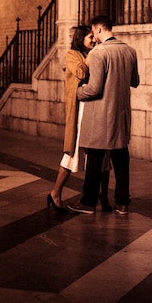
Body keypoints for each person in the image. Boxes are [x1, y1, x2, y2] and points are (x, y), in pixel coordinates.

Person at [67, 15, 139, 215]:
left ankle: (88, 202)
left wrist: (76, 93)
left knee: (95, 157)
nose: (94, 37)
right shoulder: (130, 51)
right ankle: (122, 203)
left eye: (94, 32)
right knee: (121, 158)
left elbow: (94, 89)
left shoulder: (99, 53)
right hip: (122, 114)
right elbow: (135, 81)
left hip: (100, 113)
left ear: (99, 29)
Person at [47, 25, 112, 214]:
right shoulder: (73, 55)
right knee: (73, 151)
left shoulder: (96, 54)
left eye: (94, 37)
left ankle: (104, 197)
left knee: (103, 153)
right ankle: (55, 192)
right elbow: (82, 73)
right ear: (80, 38)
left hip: (98, 108)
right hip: (80, 111)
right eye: (90, 37)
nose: (93, 40)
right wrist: (93, 56)